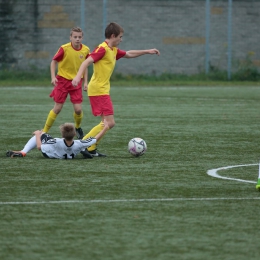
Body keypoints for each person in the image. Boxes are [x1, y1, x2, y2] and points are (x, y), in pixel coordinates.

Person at [72, 22, 160, 156]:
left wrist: (147, 51)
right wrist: (78, 77)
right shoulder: (102, 49)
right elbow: (86, 62)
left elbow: (129, 54)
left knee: (104, 123)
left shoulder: (112, 50)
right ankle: (83, 144)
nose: (121, 39)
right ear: (113, 36)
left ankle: (91, 148)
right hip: (98, 90)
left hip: (101, 89)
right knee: (110, 122)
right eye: (120, 36)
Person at [42, 27, 90, 139]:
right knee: (57, 108)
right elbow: (53, 61)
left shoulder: (86, 50)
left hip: (76, 82)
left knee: (78, 110)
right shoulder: (64, 48)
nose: (77, 39)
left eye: (79, 37)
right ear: (70, 37)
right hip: (62, 81)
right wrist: (53, 77)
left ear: (82, 37)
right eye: (75, 37)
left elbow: (86, 66)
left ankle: (78, 128)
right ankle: (44, 131)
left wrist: (85, 82)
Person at [6, 120, 109, 159]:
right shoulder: (78, 142)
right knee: (82, 145)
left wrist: (38, 134)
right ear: (74, 134)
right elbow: (94, 139)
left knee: (43, 134)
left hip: (50, 154)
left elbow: (39, 147)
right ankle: (82, 150)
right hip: (73, 150)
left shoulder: (56, 141)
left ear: (62, 134)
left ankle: (23, 152)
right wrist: (105, 128)